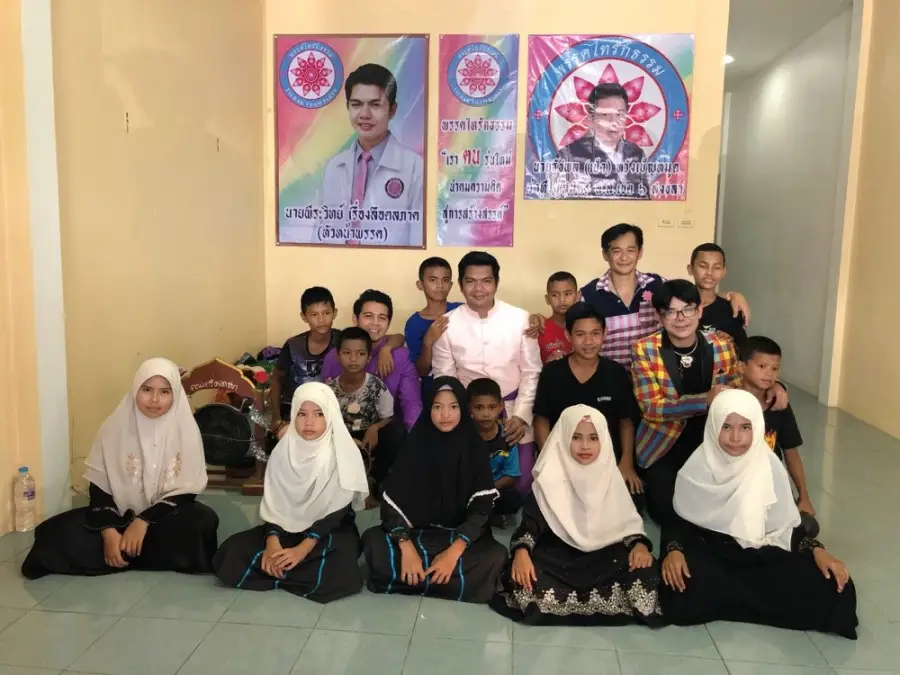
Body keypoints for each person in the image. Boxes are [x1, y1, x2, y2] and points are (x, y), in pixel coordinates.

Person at [659, 390, 858, 639]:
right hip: (714, 554)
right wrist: (674, 550)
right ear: (713, 427)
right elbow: (678, 520)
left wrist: (818, 550)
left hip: (761, 553)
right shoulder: (697, 468)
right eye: (726, 427)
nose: (735, 438)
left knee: (835, 586)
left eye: (745, 427)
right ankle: (755, 603)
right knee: (678, 582)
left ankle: (734, 602)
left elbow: (785, 526)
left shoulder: (768, 466)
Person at [22, 358, 218, 579]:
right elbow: (99, 486)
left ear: (176, 395)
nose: (154, 399)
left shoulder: (186, 431)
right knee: (52, 532)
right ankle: (132, 551)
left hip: (163, 518)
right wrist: (108, 531)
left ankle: (125, 553)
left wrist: (143, 522)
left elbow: (186, 490)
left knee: (202, 521)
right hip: (118, 515)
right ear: (135, 389)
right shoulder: (113, 428)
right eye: (146, 390)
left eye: (165, 392)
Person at [491, 405, 661, 625]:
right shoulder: (549, 478)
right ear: (562, 438)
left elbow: (626, 523)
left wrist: (639, 546)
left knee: (646, 572)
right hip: (558, 557)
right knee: (523, 579)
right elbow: (531, 524)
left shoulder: (610, 477)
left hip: (604, 557)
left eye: (593, 438)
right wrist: (522, 552)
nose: (585, 446)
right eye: (576, 437)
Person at [213, 383, 368, 603]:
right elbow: (274, 504)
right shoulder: (283, 451)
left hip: (327, 531)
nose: (309, 422)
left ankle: (279, 571)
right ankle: (290, 570)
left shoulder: (343, 453)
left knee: (342, 567)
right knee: (230, 554)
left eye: (319, 414)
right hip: (284, 528)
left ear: (331, 415)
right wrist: (272, 543)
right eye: (302, 414)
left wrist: (302, 550)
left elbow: (337, 513)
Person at [361, 377, 508, 603]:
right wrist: (406, 547)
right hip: (415, 534)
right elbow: (392, 502)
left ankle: (416, 578)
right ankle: (444, 581)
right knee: (373, 541)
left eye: (453, 407)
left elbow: (481, 509)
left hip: (458, 536)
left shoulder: (474, 447)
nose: (445, 415)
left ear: (463, 409)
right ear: (428, 408)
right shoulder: (416, 444)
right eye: (437, 407)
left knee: (496, 556)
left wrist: (453, 553)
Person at [432, 251, 542, 493]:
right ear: (460, 284)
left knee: (521, 483)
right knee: (462, 479)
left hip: (513, 411)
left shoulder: (520, 319)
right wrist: (460, 417)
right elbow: (444, 379)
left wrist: (521, 417)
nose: (478, 289)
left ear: (496, 283)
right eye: (470, 281)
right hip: (468, 414)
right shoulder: (446, 324)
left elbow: (532, 372)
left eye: (486, 281)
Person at [579, 223, 750, 369]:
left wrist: (730, 295)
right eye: (616, 251)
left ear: (640, 252)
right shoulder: (589, 295)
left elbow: (689, 298)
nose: (624, 257)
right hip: (611, 378)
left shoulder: (657, 285)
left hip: (657, 376)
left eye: (631, 250)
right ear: (605, 254)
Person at [533, 302, 644, 510]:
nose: (588, 342)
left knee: (630, 503)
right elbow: (541, 420)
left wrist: (626, 463)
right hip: (565, 457)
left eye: (595, 333)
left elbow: (626, 422)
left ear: (605, 333)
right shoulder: (552, 373)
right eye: (580, 334)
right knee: (550, 504)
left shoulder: (615, 373)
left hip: (606, 458)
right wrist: (549, 460)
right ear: (568, 335)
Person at [269, 286, 401, 437]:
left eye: (326, 313)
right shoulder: (294, 345)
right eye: (314, 314)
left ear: (335, 313)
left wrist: (387, 349)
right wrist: (276, 416)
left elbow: (395, 337)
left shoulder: (344, 339)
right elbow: (276, 379)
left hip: (333, 415)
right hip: (295, 411)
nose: (321, 320)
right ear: (304, 317)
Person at [319, 63, 424, 247]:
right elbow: (321, 231)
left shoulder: (415, 167)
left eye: (375, 105)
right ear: (348, 107)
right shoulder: (335, 166)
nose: (364, 114)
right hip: (337, 262)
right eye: (356, 104)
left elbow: (419, 237)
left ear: (392, 110)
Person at [739, 336, 818, 534]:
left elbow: (791, 453)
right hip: (737, 485)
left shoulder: (779, 404)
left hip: (770, 484)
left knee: (808, 528)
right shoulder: (730, 402)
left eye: (775, 369)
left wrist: (804, 497)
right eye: (762, 366)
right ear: (742, 367)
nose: (769, 374)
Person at [321, 289, 422, 432]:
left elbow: (411, 405)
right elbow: (324, 401)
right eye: (368, 316)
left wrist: (415, 439)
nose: (375, 323)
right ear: (355, 319)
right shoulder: (334, 356)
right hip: (342, 431)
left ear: (388, 323)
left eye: (382, 318)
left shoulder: (400, 357)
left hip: (386, 432)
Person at [327, 327, 396, 502]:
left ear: (369, 357)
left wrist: (375, 427)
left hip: (368, 437)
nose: (353, 359)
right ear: (338, 356)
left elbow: (389, 416)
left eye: (360, 354)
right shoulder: (330, 390)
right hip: (343, 437)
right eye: (347, 353)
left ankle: (376, 480)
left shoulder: (375, 385)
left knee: (395, 431)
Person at [553, 83, 651, 200]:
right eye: (605, 115)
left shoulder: (636, 154)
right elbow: (555, 202)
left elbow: (646, 200)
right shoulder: (568, 156)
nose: (613, 122)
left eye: (619, 114)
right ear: (591, 118)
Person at [467, 378, 522, 526]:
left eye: (491, 407)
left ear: (501, 406)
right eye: (479, 407)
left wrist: (487, 489)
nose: (486, 414)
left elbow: (510, 476)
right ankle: (484, 517)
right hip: (469, 489)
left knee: (513, 499)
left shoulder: (508, 436)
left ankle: (486, 515)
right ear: (469, 408)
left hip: (494, 487)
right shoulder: (464, 435)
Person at [403, 257, 462, 389]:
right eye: (433, 280)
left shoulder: (460, 310)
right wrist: (428, 341)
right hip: (434, 386)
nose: (440, 285)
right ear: (420, 284)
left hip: (466, 380)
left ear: (451, 285)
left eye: (445, 280)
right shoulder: (414, 323)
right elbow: (422, 371)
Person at [686, 243, 747, 345]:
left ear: (723, 272)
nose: (709, 272)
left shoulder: (732, 310)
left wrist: (729, 342)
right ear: (690, 269)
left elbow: (742, 348)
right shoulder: (678, 306)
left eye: (717, 267)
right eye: (703, 266)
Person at [537, 271, 577, 364]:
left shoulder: (585, 327)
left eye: (567, 294)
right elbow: (533, 367)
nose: (562, 300)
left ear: (577, 295)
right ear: (547, 299)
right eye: (555, 295)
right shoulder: (540, 329)